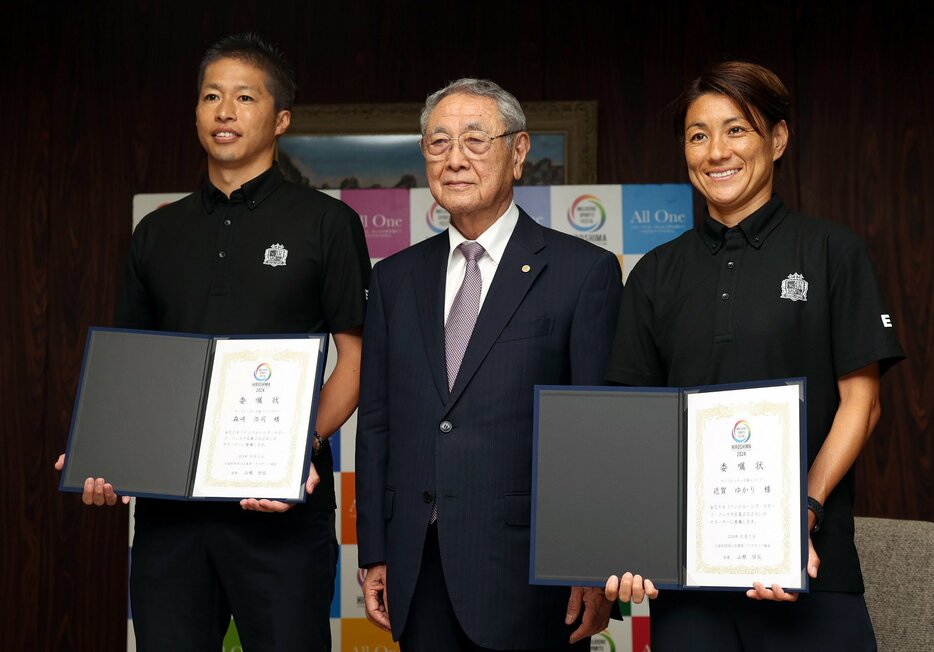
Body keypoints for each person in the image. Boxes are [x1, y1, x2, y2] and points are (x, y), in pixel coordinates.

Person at [54, 33, 370, 650]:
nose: (224, 111)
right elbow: (135, 370)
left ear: (280, 119)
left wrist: (297, 449)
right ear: (196, 112)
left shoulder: (327, 224)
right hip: (171, 520)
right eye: (211, 96)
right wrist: (106, 455)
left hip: (279, 515)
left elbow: (356, 363)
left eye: (244, 96)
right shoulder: (156, 232)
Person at [603, 61, 905, 651]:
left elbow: (862, 404)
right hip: (689, 588)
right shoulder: (655, 274)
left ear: (778, 138)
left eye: (736, 129)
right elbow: (634, 422)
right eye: (697, 135)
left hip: (813, 573)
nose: (716, 152)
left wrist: (802, 515)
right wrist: (635, 536)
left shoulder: (832, 252)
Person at [355, 78, 622, 651]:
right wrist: (376, 549)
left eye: (475, 141)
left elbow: (598, 433)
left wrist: (593, 562)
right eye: (438, 143)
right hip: (417, 566)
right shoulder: (393, 280)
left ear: (519, 151)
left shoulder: (583, 273)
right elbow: (376, 422)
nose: (454, 160)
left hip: (530, 573)